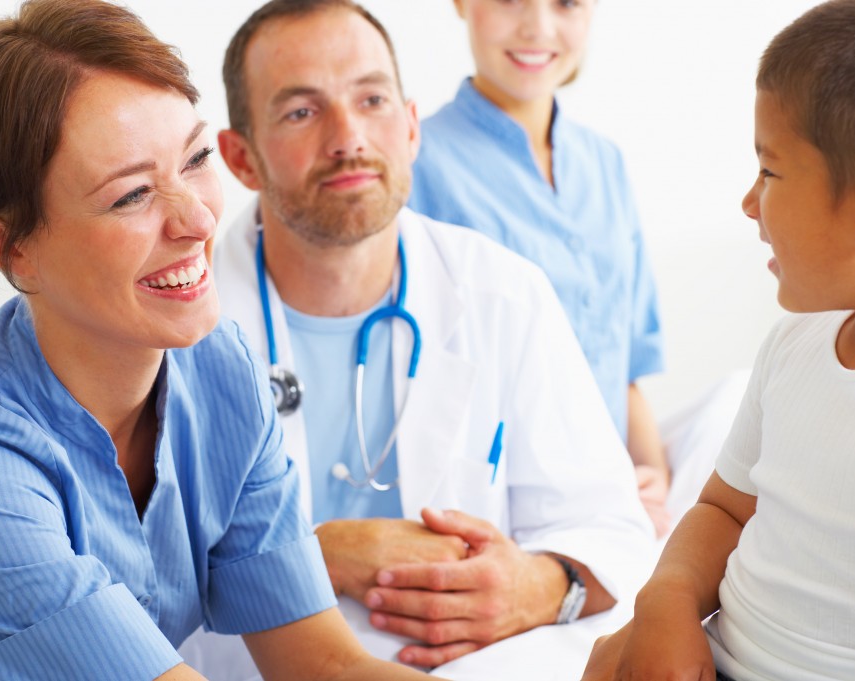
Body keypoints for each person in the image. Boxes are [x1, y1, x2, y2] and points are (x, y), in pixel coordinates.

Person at [0, 1, 442, 679]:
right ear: (9, 246)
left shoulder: (220, 370)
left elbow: (325, 664)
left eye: (196, 158)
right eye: (132, 195)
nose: (198, 219)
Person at [180, 0, 656, 677]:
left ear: (409, 127)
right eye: (301, 111)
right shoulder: (172, 331)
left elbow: (613, 530)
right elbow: (140, 584)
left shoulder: (504, 292)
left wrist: (543, 584)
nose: (348, 137)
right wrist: (314, 553)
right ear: (240, 156)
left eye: (371, 99)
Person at [581, 0, 855, 679]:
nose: (750, 202)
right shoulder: (798, 342)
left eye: (771, 172)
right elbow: (724, 505)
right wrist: (663, 602)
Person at [407, 0, 673, 535]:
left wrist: (652, 473)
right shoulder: (416, 163)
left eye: (567, 3)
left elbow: (623, 367)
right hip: (492, 509)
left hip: (616, 504)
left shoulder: (605, 164)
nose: (538, 27)